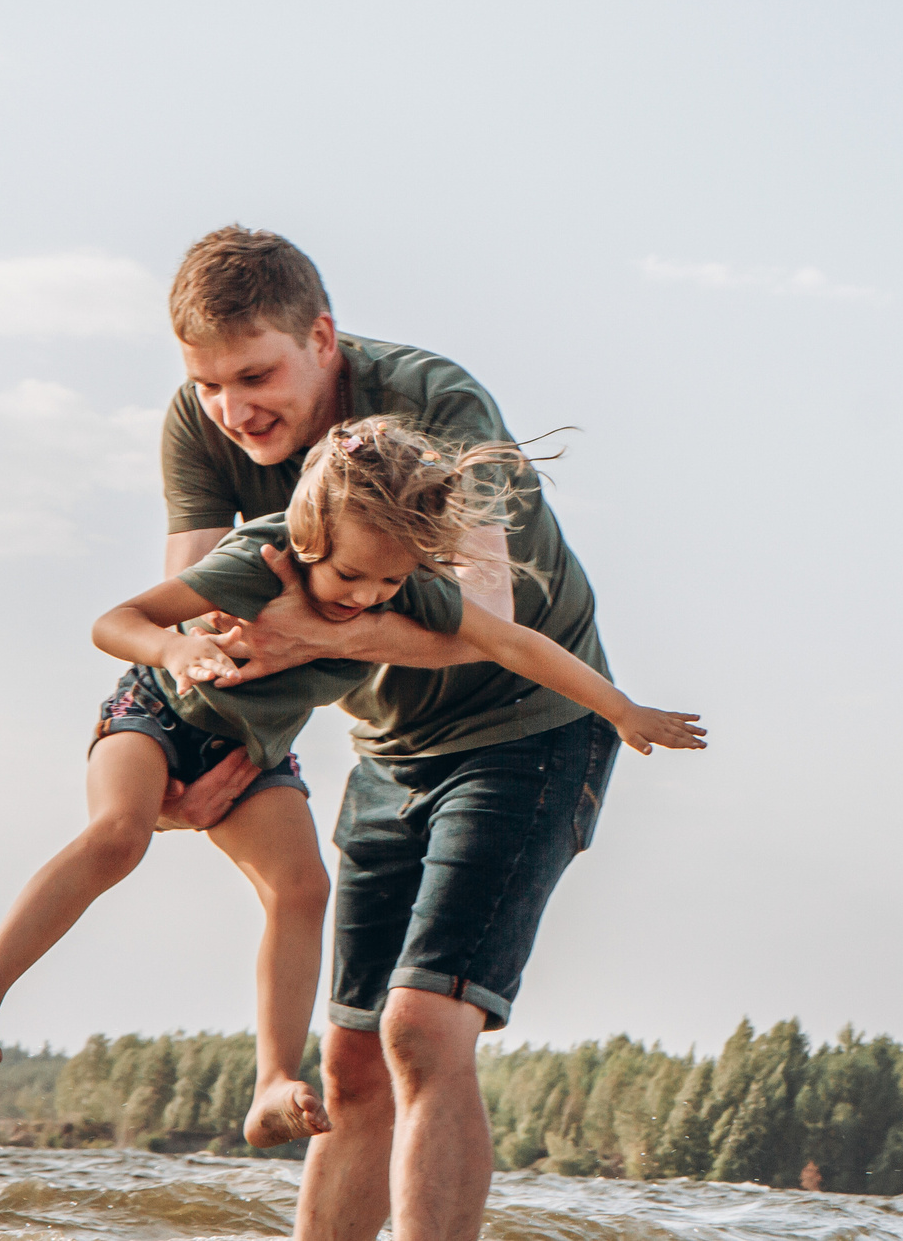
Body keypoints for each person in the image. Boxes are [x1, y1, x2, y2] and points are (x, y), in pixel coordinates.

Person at [0, 418, 705, 1149]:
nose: (366, 597)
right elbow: (117, 620)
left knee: (301, 889)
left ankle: (271, 1080)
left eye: (389, 580)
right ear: (308, 537)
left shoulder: (403, 583)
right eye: (350, 573)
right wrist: (173, 650)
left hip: (252, 750)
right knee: (119, 836)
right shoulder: (254, 561)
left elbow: (512, 643)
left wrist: (621, 708)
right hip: (157, 713)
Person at [152, 226, 646, 1241]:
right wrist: (188, 759)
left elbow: (484, 618)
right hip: (388, 751)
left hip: (528, 728)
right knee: (350, 1060)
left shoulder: (433, 403)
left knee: (421, 1026)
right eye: (208, 384)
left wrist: (302, 639)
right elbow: (192, 624)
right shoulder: (203, 427)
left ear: (322, 338)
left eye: (256, 375)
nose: (233, 409)